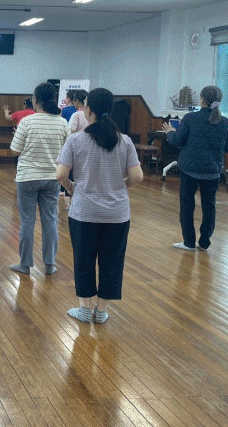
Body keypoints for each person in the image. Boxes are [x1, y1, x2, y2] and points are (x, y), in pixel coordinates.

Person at [56, 88, 144, 324]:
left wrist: (71, 188)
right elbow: (137, 177)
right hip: (117, 214)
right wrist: (120, 185)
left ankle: (84, 309)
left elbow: (60, 174)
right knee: (112, 262)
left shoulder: (76, 140)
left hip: (84, 212)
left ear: (87, 110)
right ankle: (101, 311)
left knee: (83, 261)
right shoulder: (124, 141)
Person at [163, 85, 228, 251]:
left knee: (187, 206)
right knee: (209, 207)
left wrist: (170, 132)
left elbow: (177, 141)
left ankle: (189, 242)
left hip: (189, 171)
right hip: (212, 172)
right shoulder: (225, 123)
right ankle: (204, 242)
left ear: (201, 100)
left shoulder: (190, 118)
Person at [10, 82, 69, 275]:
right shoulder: (62, 123)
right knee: (50, 220)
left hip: (27, 177)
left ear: (35, 100)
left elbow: (15, 150)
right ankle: (50, 265)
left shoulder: (27, 122)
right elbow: (68, 151)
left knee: (27, 221)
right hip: (52, 178)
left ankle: (25, 264)